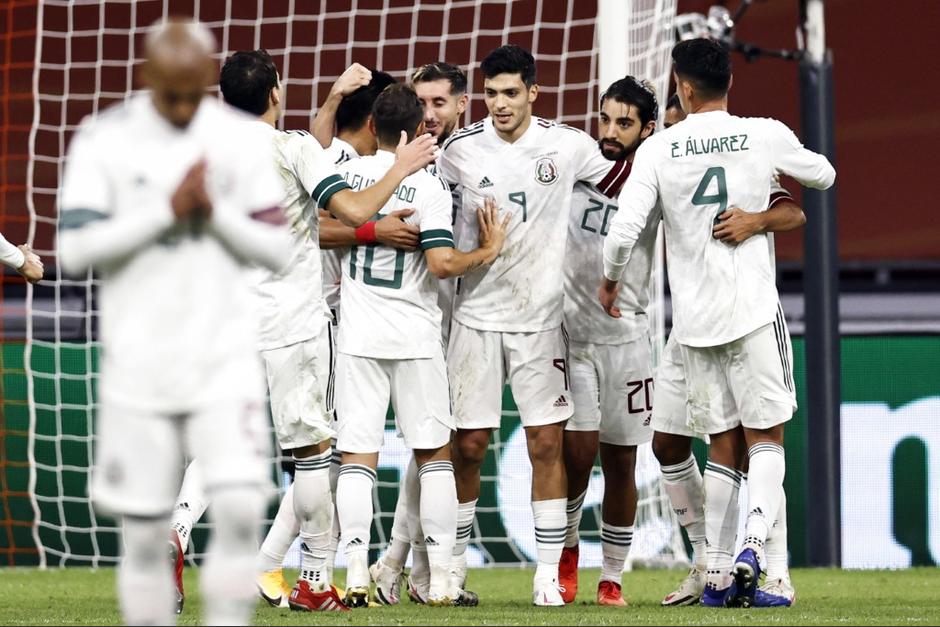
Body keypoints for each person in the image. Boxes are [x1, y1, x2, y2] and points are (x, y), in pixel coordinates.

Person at [167, 51, 438, 614]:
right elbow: (355, 209)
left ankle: (178, 527)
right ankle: (314, 579)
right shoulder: (291, 149)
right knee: (314, 452)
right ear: (275, 93)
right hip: (291, 323)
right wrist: (401, 167)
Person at [57, 21, 292, 626]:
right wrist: (166, 210)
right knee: (141, 522)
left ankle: (210, 591)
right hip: (140, 351)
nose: (185, 106)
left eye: (193, 91)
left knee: (239, 505)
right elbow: (75, 251)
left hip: (225, 343)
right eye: (172, 92)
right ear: (148, 77)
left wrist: (214, 214)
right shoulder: (104, 140)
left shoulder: (238, 143)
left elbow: (276, 248)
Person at [600, 38, 835, 608]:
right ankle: (749, 550)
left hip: (696, 320)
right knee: (763, 440)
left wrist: (610, 280)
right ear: (730, 82)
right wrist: (756, 208)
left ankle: (724, 572)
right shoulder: (762, 133)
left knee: (723, 443)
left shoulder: (660, 149)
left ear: (682, 87)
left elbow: (623, 233)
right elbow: (824, 175)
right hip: (752, 313)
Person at [437, 44, 630, 606]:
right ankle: (452, 570)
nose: (499, 104)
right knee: (468, 445)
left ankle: (547, 573)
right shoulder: (459, 150)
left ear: (533, 93)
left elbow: (626, 176)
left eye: (510, 93)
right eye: (491, 94)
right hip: (475, 318)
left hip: (541, 320)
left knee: (546, 444)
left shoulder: (567, 146)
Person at [332, 84, 509, 608]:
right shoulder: (427, 187)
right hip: (414, 338)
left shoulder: (348, 179)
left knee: (357, 458)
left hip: (358, 337)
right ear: (415, 132)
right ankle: (442, 581)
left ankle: (356, 574)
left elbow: (316, 229)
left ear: (372, 127)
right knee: (434, 457)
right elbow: (442, 264)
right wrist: (487, 250)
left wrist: (367, 231)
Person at [653, 94, 802, 609]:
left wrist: (756, 219)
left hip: (737, 316)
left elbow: (792, 209)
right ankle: (711, 564)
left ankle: (771, 570)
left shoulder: (741, 159)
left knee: (750, 438)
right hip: (686, 324)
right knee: (669, 443)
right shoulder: (659, 161)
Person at [368, 61, 470, 607]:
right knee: (429, 448)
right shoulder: (395, 164)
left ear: (461, 105)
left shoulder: (476, 153)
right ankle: (409, 568)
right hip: (415, 315)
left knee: (430, 447)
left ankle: (400, 566)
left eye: (439, 103)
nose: (429, 115)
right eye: (422, 103)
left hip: (462, 317)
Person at [558, 76, 658, 607]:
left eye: (624, 123)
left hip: (629, 339)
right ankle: (567, 549)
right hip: (572, 336)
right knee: (576, 456)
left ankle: (612, 576)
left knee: (622, 463)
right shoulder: (575, 167)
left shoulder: (655, 179)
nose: (610, 131)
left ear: (647, 128)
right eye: (605, 119)